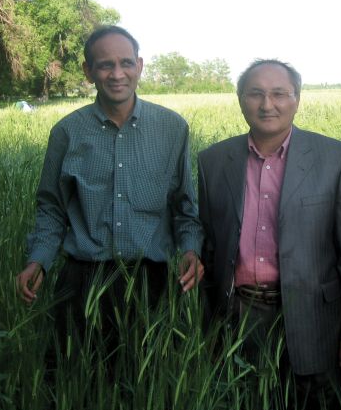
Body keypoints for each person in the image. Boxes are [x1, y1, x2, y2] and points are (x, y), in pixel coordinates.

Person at [16, 25, 204, 358]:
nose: (117, 74)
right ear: (88, 72)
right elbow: (51, 208)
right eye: (105, 65)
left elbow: (184, 206)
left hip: (152, 284)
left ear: (140, 66)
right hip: (82, 282)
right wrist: (38, 260)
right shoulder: (67, 133)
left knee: (147, 392)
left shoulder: (172, 128)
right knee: (75, 386)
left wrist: (190, 249)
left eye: (126, 63)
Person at [198, 59, 341, 410]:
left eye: (279, 94)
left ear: (297, 99)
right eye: (255, 93)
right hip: (239, 317)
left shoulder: (335, 158)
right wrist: (208, 325)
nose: (267, 104)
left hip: (313, 319)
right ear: (240, 100)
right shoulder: (212, 161)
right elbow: (210, 243)